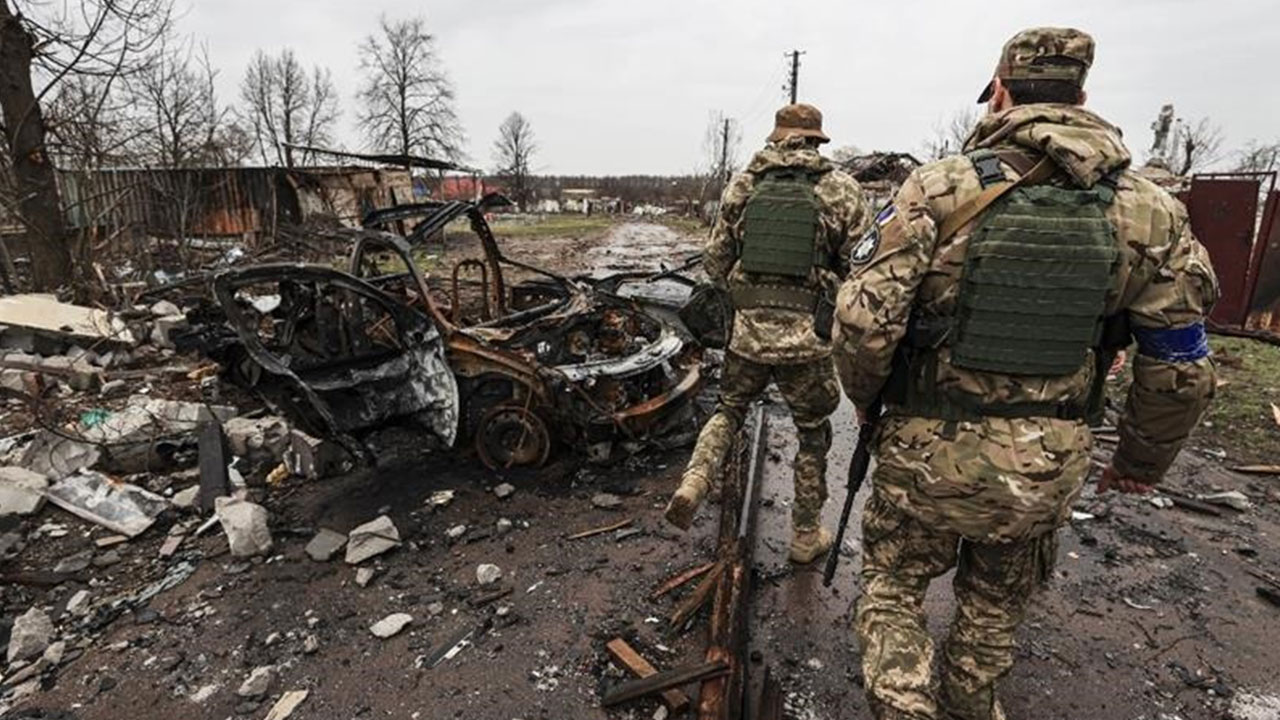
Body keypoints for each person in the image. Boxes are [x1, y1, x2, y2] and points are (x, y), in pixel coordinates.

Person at [833, 28, 1218, 720]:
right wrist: (1139, 462)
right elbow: (1180, 365)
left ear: (1001, 91)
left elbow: (863, 322)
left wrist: (866, 402)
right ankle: (974, 700)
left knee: (891, 588)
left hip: (927, 454)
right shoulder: (1151, 211)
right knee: (993, 602)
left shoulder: (938, 187)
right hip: (1046, 465)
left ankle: (902, 706)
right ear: (1083, 96)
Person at [664, 103, 870, 564]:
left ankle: (695, 480)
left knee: (729, 410)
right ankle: (804, 534)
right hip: (808, 344)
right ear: (817, 141)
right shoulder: (840, 189)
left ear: (775, 139)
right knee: (813, 432)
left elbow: (714, 262)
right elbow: (861, 267)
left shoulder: (743, 185)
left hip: (747, 337)